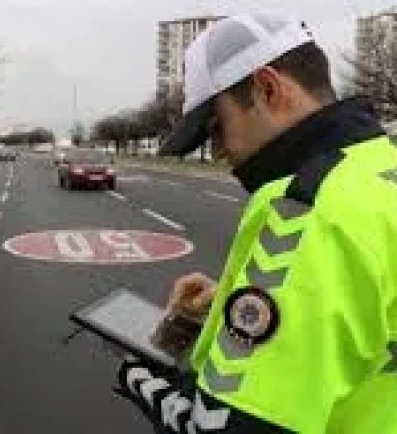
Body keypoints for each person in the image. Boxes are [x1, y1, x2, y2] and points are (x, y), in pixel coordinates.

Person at [116, 12, 397, 433]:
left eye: (216, 129)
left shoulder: (306, 210)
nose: (216, 153)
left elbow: (216, 426)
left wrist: (137, 375)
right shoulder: (381, 167)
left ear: (267, 88)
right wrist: (232, 310)